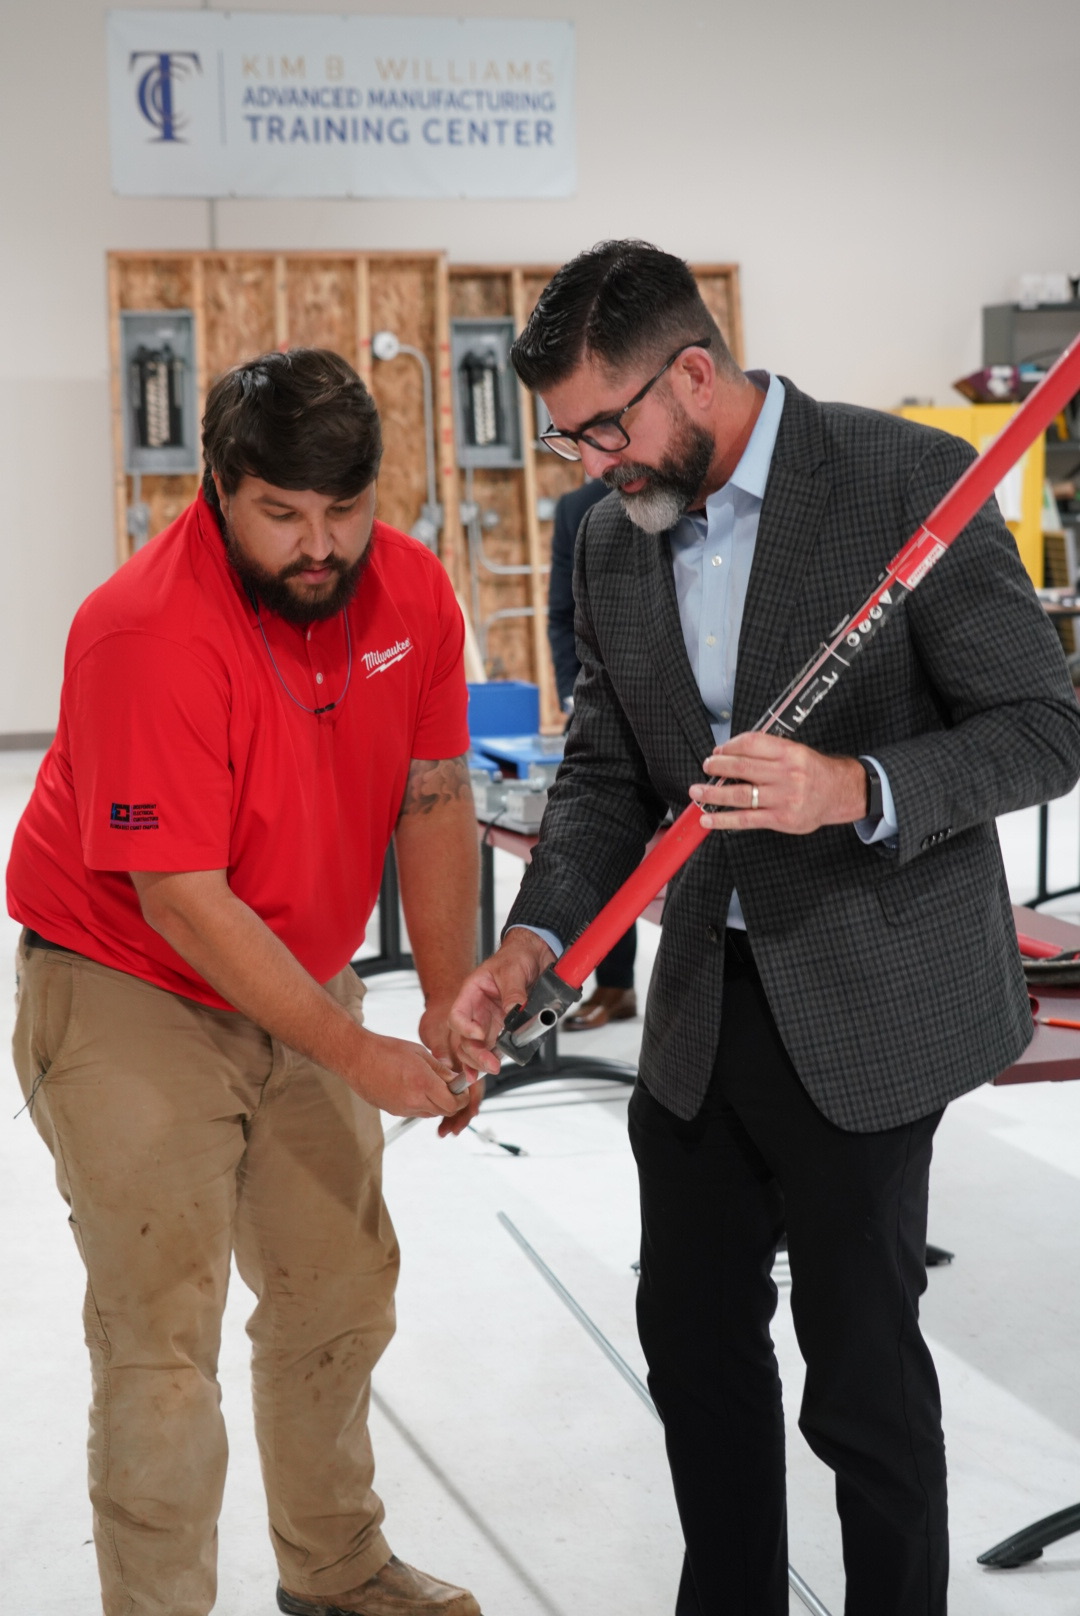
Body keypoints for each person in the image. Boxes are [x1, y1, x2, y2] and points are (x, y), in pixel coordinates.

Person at [448, 242, 1080, 1616]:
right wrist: (532, 942)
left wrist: (858, 787)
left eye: (608, 425)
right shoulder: (615, 534)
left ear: (696, 372)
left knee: (860, 1378)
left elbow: (1046, 727)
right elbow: (612, 770)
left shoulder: (901, 479)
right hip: (701, 1013)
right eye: (570, 440)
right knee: (690, 1343)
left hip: (874, 997)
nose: (595, 463)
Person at [9, 349, 484, 1616]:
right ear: (219, 487)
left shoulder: (414, 594)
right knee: (165, 1338)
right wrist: (356, 1048)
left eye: (345, 510)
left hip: (295, 958)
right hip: (128, 977)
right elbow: (181, 896)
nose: (319, 545)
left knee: (339, 1286)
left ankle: (335, 1568)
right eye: (283, 513)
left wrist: (446, 1006)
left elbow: (436, 801)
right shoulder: (143, 628)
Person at [547, 477, 638, 1028]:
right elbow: (562, 614)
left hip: (681, 704)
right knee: (605, 842)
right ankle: (615, 983)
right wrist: (573, 693)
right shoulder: (577, 510)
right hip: (604, 700)